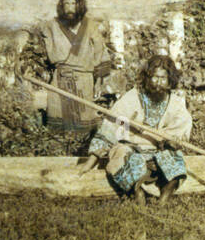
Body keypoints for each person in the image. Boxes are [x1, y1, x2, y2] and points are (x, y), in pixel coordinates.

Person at [79, 55, 190, 205]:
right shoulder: (133, 97)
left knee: (175, 157)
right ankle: (138, 192)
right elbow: (111, 125)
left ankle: (165, 196)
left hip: (157, 150)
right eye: (155, 77)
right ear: (147, 78)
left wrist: (173, 140)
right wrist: (91, 161)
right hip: (132, 147)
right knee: (122, 154)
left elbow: (180, 128)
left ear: (170, 80)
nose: (158, 82)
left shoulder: (175, 103)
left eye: (163, 78)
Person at [16, 0, 113, 131]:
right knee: (59, 127)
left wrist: (98, 82)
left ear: (80, 5)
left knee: (83, 125)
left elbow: (100, 51)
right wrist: (23, 40)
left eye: (74, 4)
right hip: (59, 81)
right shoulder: (51, 26)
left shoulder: (90, 26)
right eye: (67, 4)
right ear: (61, 5)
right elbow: (32, 33)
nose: (70, 8)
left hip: (84, 81)